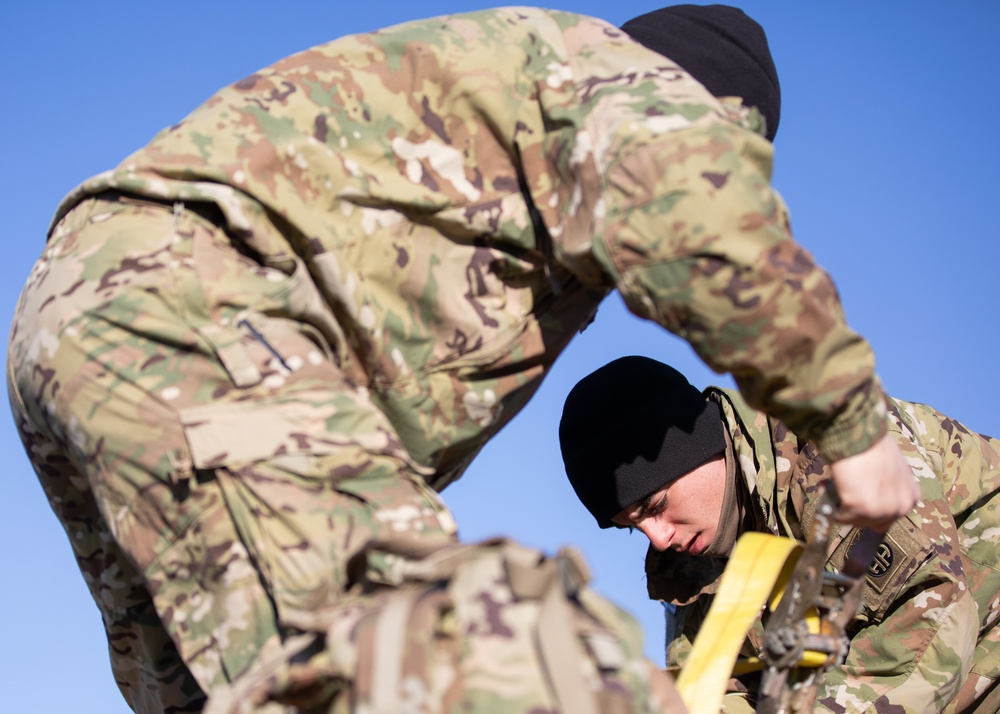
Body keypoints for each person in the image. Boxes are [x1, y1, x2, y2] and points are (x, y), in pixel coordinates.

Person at [7, 4, 917, 713]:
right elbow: (697, 204)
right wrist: (849, 422)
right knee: (501, 657)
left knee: (246, 688)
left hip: (85, 326)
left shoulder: (525, 150)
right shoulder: (625, 82)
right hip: (191, 307)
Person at [559, 355, 1000, 713]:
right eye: (632, 527)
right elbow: (713, 692)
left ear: (700, 447)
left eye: (655, 507)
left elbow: (932, 619)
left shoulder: (831, 449)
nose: (658, 539)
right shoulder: (688, 567)